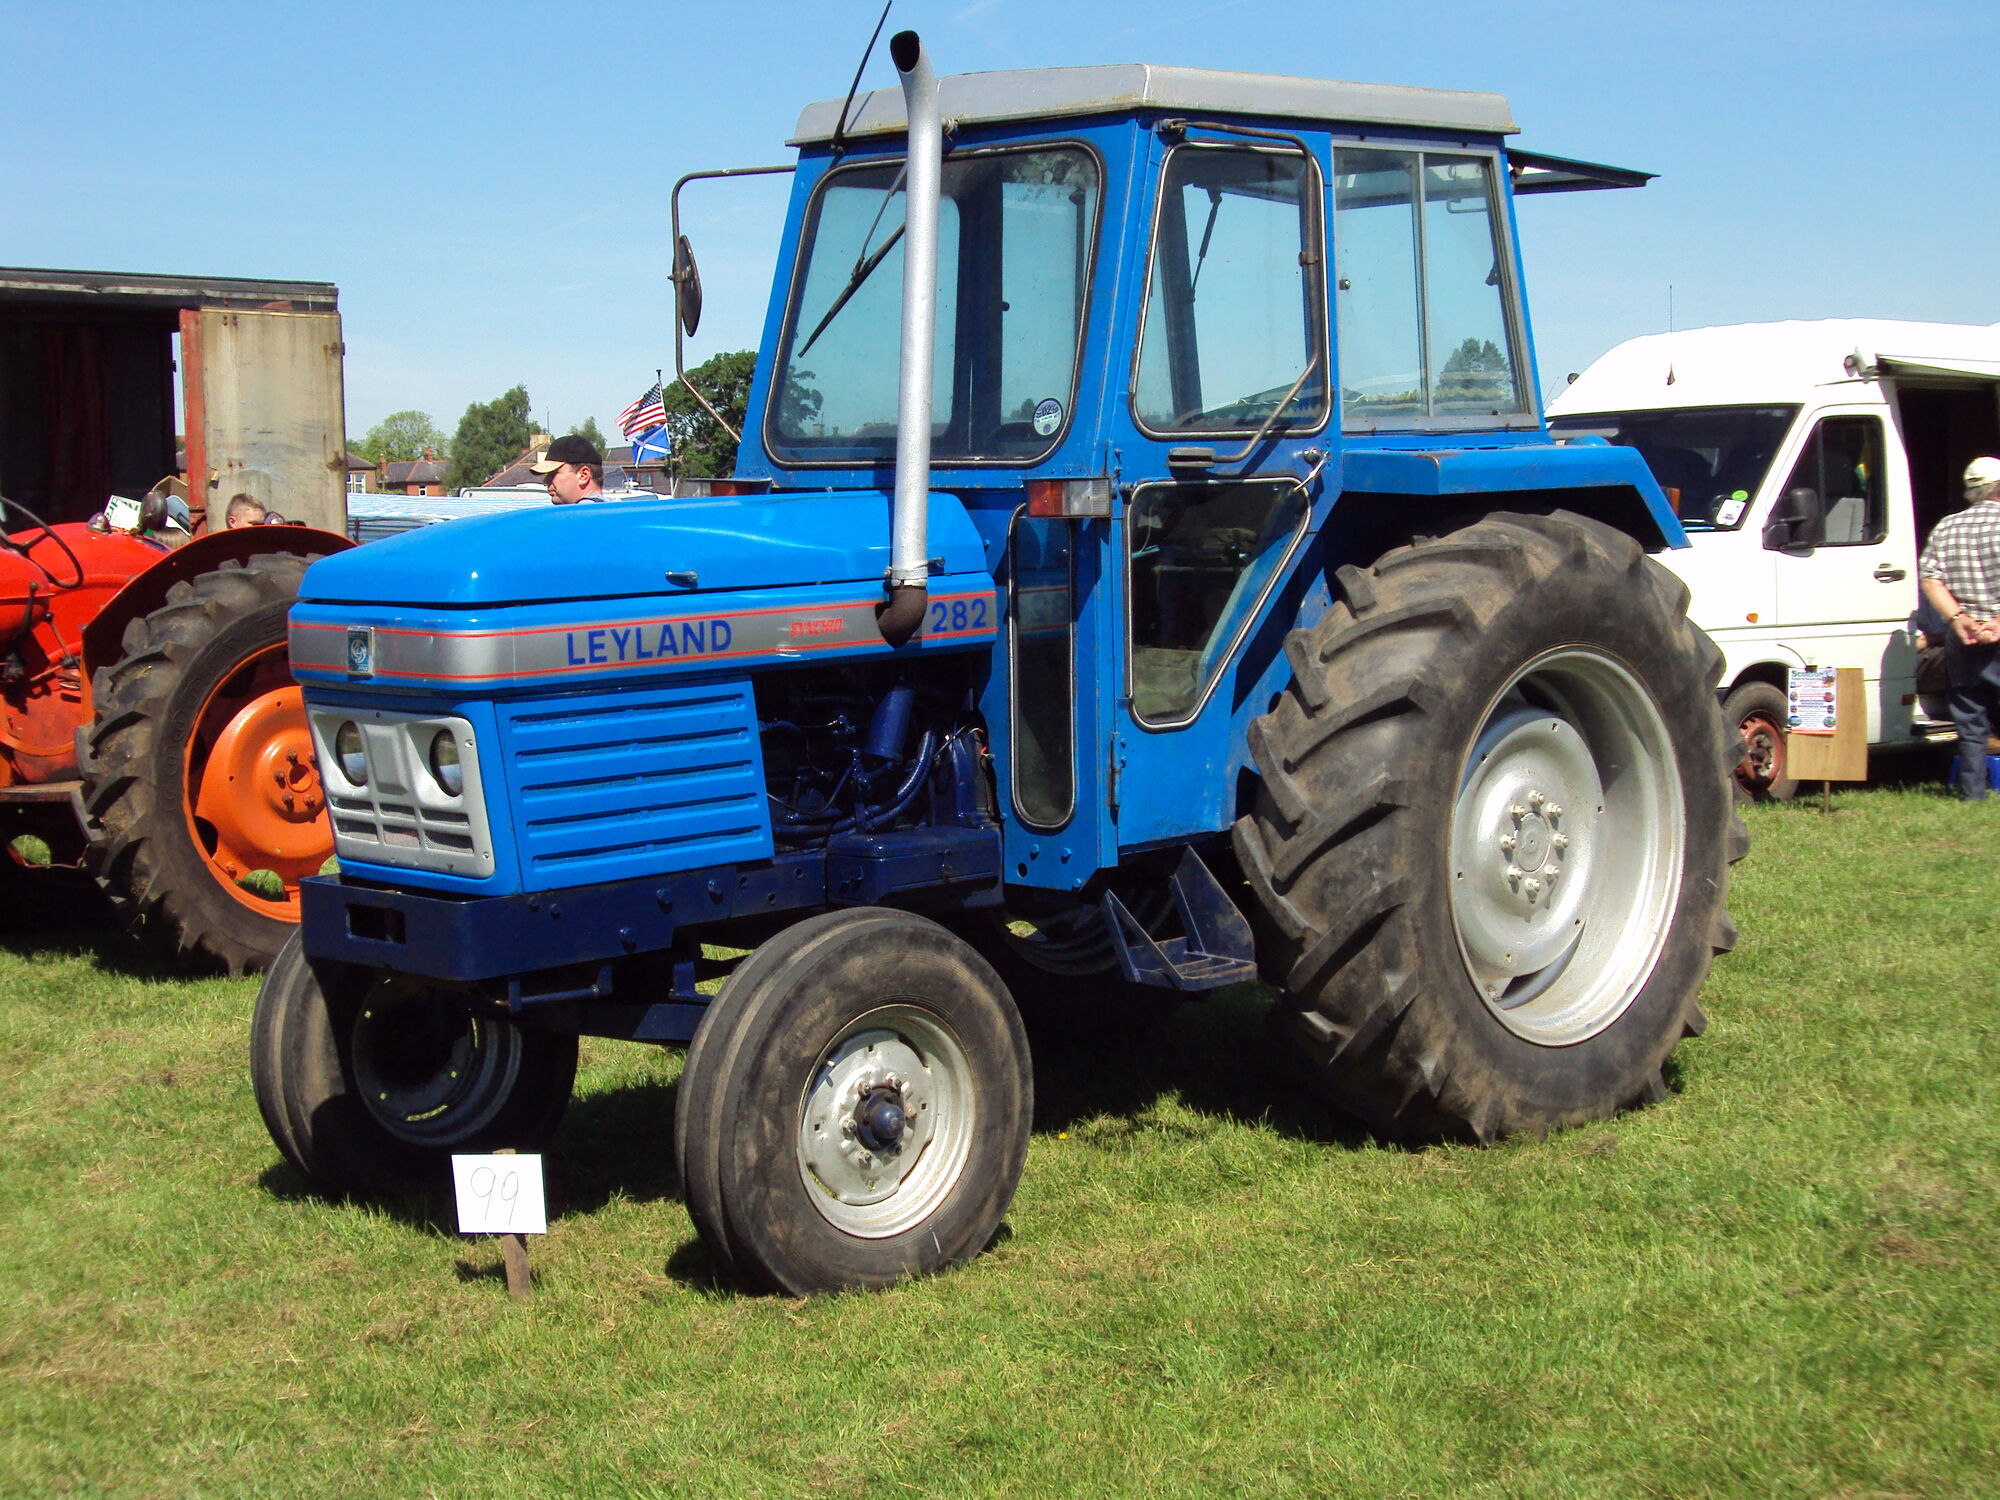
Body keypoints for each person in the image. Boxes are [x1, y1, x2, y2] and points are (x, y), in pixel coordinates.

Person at [1918, 455, 2000, 800]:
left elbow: (1930, 578)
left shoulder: (1947, 527)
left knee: (1970, 722)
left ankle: (1971, 794)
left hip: (1962, 637)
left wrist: (1958, 619)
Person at [529, 434, 605, 504]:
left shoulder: (579, 515)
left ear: (583, 475)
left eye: (553, 473)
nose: (546, 480)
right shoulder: (612, 511)